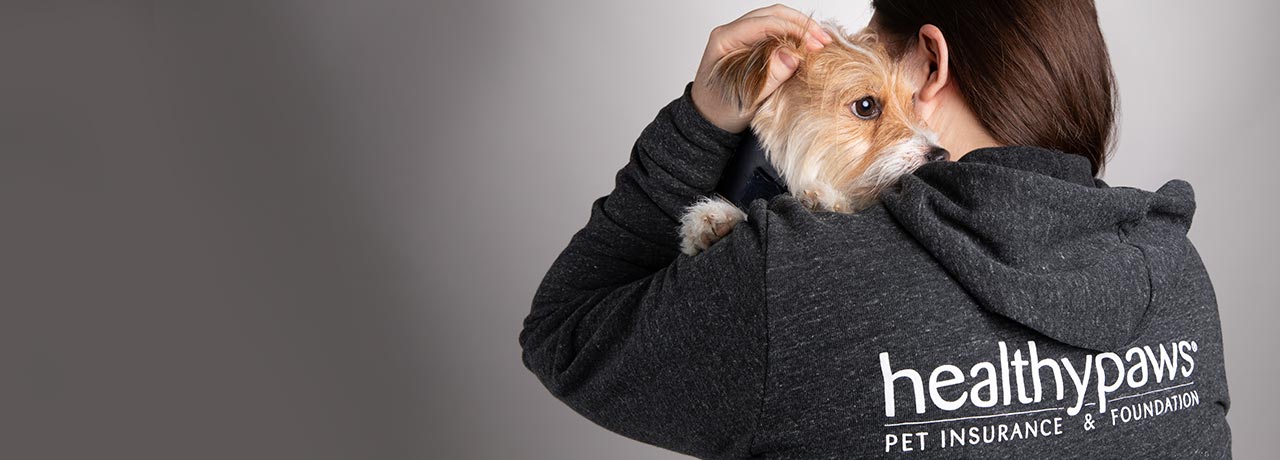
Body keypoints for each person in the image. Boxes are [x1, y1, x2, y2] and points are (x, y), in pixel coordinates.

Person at [518, 2, 1231, 458]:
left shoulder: (789, 280)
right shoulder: (1176, 269)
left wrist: (700, 124)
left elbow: (566, 336)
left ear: (928, 59)